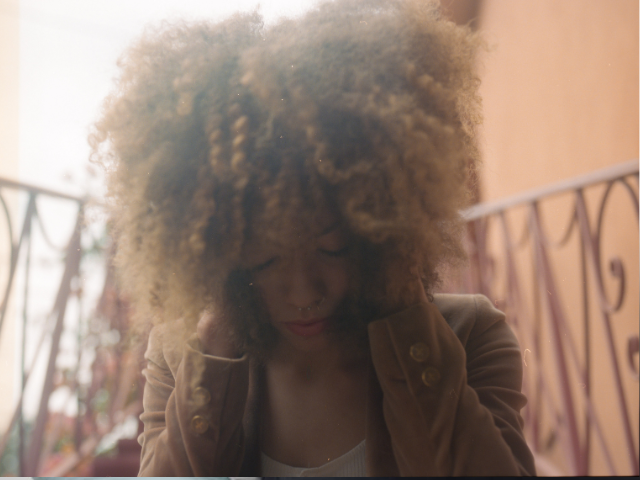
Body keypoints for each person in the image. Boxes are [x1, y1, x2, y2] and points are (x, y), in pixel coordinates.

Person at [90, 0, 536, 476]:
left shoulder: (470, 337)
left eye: (332, 248)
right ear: (223, 252)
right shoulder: (181, 360)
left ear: (383, 228)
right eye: (264, 258)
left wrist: (404, 310)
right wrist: (218, 341)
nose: (303, 293)